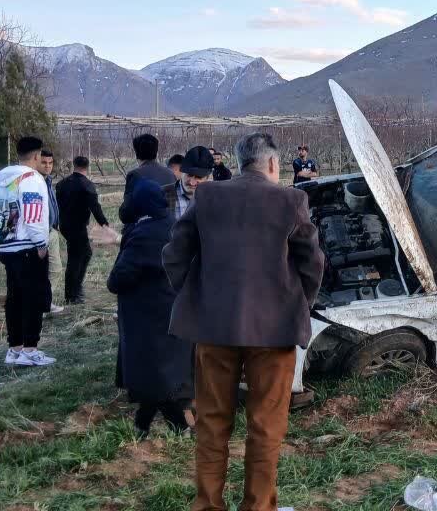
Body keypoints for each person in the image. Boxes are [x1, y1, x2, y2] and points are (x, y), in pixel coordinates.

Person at [163, 132, 324, 511]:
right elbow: (313, 265)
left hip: (214, 330)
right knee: (265, 428)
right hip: (274, 333)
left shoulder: (209, 196)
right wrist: (297, 304)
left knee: (212, 424)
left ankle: (208, 505)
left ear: (237, 164)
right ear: (272, 164)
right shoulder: (291, 199)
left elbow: (173, 256)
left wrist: (196, 297)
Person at [108, 178, 194, 438]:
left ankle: (177, 427)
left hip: (148, 315)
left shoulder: (144, 234)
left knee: (154, 375)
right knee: (163, 372)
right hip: (175, 308)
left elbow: (117, 280)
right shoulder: (176, 226)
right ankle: (142, 425)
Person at [0, 136, 56, 367]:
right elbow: (33, 214)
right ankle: (30, 348)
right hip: (28, 246)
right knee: (33, 298)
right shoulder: (32, 179)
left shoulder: (5, 179)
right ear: (37, 156)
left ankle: (15, 348)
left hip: (6, 244)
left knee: (14, 298)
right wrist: (41, 244)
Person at [56, 156, 111, 304]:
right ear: (87, 167)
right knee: (76, 258)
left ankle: (75, 289)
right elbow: (95, 207)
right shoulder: (87, 185)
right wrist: (105, 224)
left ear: (74, 165)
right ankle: (72, 295)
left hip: (64, 225)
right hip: (77, 227)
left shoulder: (61, 184)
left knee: (85, 253)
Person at [120, 134, 175, 224]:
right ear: (156, 152)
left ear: (136, 154)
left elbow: (127, 212)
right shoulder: (170, 173)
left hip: (145, 230)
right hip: (170, 229)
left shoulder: (135, 175)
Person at [40, 150, 66, 314]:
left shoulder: (48, 181)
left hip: (51, 230)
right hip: (41, 233)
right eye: (44, 163)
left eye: (50, 163)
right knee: (52, 269)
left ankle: (44, 302)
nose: (48, 166)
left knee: (54, 269)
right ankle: (42, 303)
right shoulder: (35, 181)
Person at [165, 146, 214, 222]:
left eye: (198, 177)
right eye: (189, 175)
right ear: (182, 172)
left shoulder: (214, 198)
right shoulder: (162, 195)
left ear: (207, 178)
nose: (192, 182)